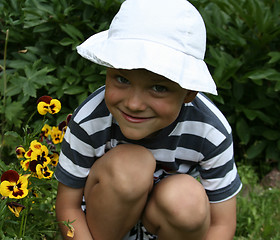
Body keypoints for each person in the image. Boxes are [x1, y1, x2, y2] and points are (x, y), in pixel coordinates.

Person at [54, 0, 242, 239]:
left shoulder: (210, 131)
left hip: (165, 223)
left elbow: (221, 225)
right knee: (131, 165)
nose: (133, 104)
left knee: (186, 198)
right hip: (100, 229)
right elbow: (68, 207)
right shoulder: (90, 120)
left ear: (189, 92)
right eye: (122, 79)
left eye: (158, 88)